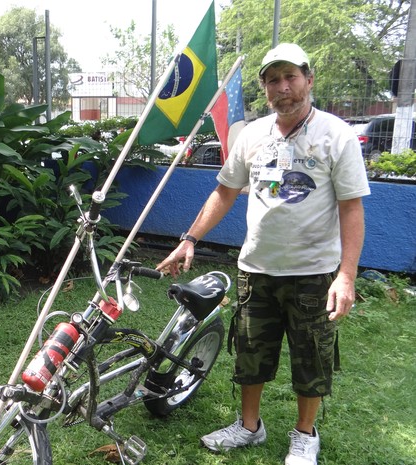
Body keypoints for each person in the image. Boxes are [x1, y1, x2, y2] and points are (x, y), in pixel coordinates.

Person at [156, 43, 370, 465]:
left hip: (314, 272)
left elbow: (351, 207)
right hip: (257, 269)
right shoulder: (252, 135)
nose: (283, 88)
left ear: (309, 80)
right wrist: (190, 238)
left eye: (291, 77)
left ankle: (305, 435)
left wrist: (346, 276)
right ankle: (249, 427)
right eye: (274, 80)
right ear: (264, 88)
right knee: (250, 353)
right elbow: (225, 191)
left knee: (312, 358)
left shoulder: (337, 135)